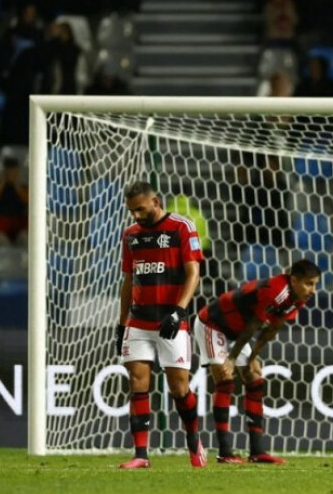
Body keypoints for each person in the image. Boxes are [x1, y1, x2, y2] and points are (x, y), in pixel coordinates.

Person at [193, 259, 321, 464]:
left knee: (254, 378)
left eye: (315, 284)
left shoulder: (298, 298)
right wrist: (232, 359)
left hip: (237, 331)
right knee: (225, 379)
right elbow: (254, 325)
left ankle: (257, 451)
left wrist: (252, 358)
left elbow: (272, 329)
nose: (312, 289)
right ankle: (225, 452)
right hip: (213, 323)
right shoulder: (276, 290)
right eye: (309, 283)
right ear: (294, 280)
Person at [117, 182, 206, 469]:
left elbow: (194, 272)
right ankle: (141, 455)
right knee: (137, 382)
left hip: (171, 321)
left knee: (179, 388)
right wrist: (121, 325)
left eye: (140, 209)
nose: (136, 216)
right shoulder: (130, 235)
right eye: (132, 211)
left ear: (155, 201)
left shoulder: (181, 227)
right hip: (139, 321)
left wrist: (179, 312)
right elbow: (129, 281)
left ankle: (194, 444)